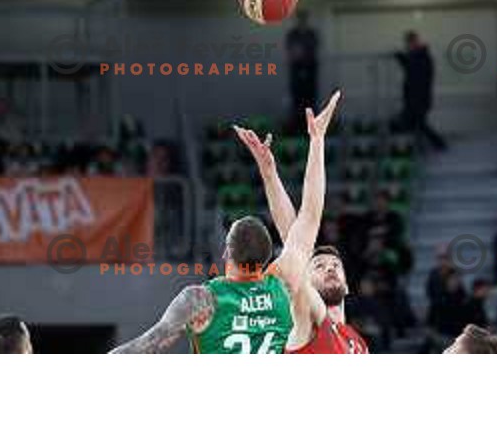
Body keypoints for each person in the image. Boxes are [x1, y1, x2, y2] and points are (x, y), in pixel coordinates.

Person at [110, 91, 340, 354]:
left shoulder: (201, 300)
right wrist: (317, 140)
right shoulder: (282, 284)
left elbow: (144, 347)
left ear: (226, 252)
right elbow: (310, 217)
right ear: (268, 259)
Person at [235, 101, 368, 354]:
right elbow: (304, 226)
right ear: (303, 279)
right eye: (318, 266)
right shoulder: (309, 319)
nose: (330, 268)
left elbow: (294, 236)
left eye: (335, 266)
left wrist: (270, 172)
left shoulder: (357, 342)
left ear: (348, 285)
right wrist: (317, 142)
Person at [395, 30, 447, 151]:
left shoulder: (422, 57)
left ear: (414, 42)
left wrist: (403, 58)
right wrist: (403, 59)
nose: (407, 46)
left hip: (419, 99)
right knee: (416, 124)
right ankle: (433, 145)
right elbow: (411, 69)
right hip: (416, 99)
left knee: (417, 124)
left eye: (409, 43)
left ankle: (438, 144)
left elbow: (415, 73)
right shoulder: (419, 56)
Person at [285, 10, 319, 125]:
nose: (302, 22)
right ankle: (296, 124)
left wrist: (304, 56)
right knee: (297, 98)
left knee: (310, 97)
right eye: (300, 20)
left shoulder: (311, 34)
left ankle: (310, 124)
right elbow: (291, 50)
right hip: (296, 68)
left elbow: (313, 49)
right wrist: (297, 57)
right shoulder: (292, 34)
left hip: (310, 68)